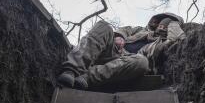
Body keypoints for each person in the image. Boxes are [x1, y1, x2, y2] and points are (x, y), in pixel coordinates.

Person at [57, 13, 185, 89]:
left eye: (166, 24)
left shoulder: (164, 43)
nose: (161, 26)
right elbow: (123, 30)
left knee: (142, 61)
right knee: (103, 25)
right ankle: (71, 70)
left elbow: (178, 38)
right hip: (113, 51)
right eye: (160, 23)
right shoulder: (139, 29)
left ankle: (87, 77)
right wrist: (120, 37)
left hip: (128, 64)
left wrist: (174, 24)